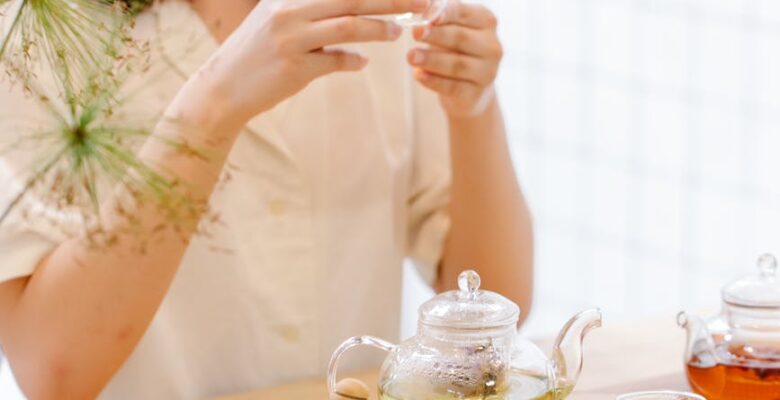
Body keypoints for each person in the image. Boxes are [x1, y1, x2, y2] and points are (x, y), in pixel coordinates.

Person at [0, 0, 533, 398]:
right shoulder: (29, 32)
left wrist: (474, 110)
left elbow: (497, 303)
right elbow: (52, 372)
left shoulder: (382, 17)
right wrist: (215, 104)